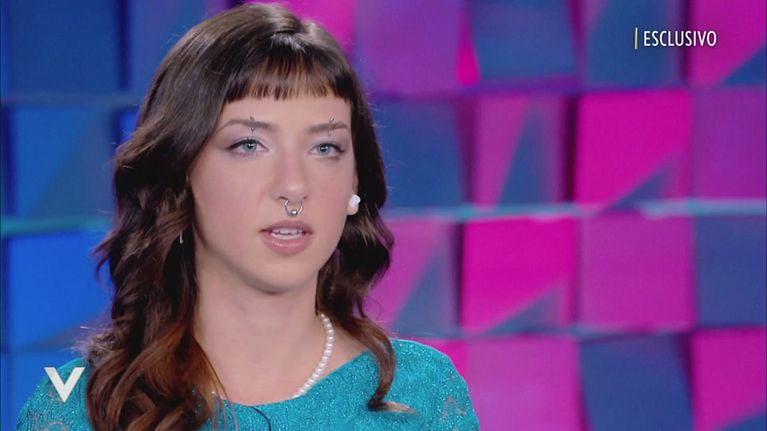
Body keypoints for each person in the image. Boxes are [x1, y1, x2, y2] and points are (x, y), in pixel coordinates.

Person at [15, 3, 480, 430]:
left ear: (354, 183)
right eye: (249, 145)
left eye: (325, 148)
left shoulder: (419, 397)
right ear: (182, 173)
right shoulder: (81, 410)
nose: (294, 186)